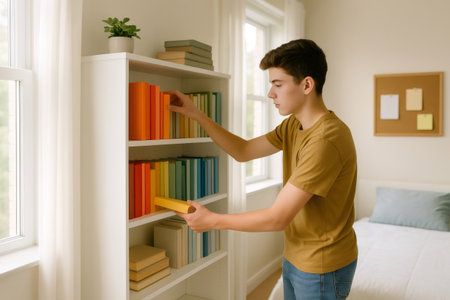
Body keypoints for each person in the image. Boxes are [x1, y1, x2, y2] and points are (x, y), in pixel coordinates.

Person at [168, 39, 358, 300]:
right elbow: (243, 151)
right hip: (296, 255)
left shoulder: (327, 139)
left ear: (306, 85)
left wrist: (213, 220)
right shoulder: (293, 125)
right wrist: (197, 115)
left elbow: (278, 217)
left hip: (323, 265)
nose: (271, 94)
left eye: (278, 85)